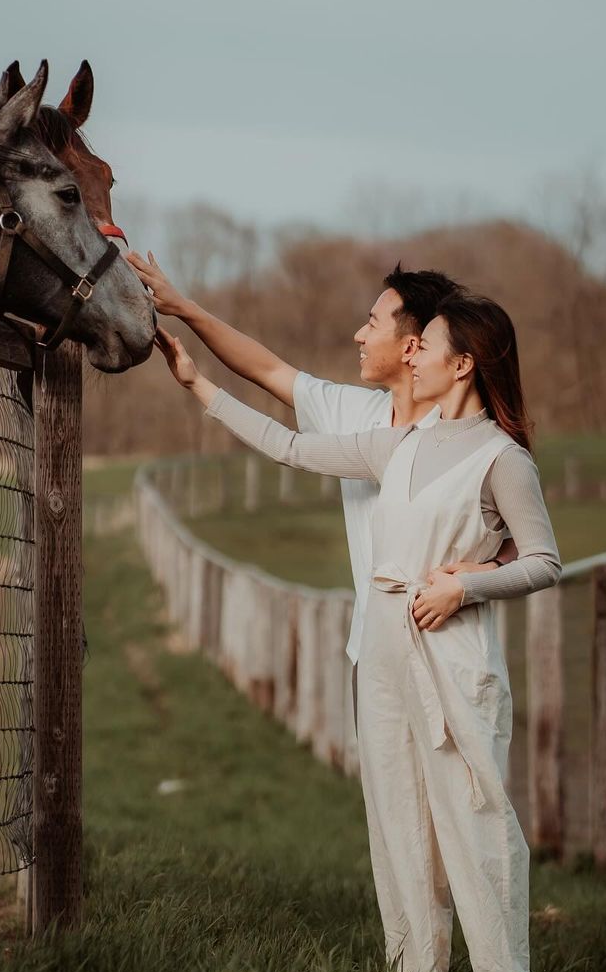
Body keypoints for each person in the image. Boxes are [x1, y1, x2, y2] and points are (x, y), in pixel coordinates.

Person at [154, 293, 561, 972]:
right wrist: (197, 386)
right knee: (396, 814)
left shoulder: (503, 459)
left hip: (450, 651)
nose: (412, 355)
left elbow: (543, 560)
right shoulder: (394, 444)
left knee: (473, 815)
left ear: (462, 365)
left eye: (424, 345)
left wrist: (465, 586)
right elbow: (288, 446)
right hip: (380, 645)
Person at [127, 253, 514, 678]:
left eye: (372, 324)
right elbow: (267, 373)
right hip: (374, 654)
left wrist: (477, 579)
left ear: (410, 347)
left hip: (451, 662)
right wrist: (184, 310)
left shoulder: (468, 440)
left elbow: (523, 542)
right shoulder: (356, 413)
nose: (359, 335)